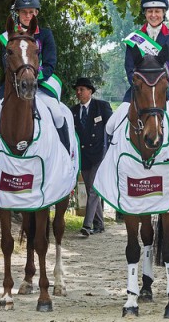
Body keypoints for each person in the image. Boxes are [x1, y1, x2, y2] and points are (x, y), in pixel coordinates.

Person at [107, 0, 169, 162]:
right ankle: (108, 166)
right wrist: (141, 90)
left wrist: (162, 91)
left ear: (164, 13)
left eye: (157, 11)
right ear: (145, 13)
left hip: (167, 91)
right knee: (110, 124)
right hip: (139, 93)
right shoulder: (134, 39)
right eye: (150, 11)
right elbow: (129, 68)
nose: (153, 15)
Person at [0, 0, 67, 148]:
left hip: (39, 85)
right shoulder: (9, 37)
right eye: (24, 12)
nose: (27, 15)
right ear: (18, 13)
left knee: (58, 115)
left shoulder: (45, 35)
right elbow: (6, 64)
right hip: (12, 85)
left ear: (36, 13)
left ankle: (65, 155)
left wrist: (32, 78)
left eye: (31, 12)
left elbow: (50, 64)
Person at [70, 77, 112, 236]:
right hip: (83, 156)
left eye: (81, 89)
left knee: (93, 190)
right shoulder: (73, 111)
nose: (78, 92)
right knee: (89, 190)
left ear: (90, 91)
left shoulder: (101, 107)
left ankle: (87, 226)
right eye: (77, 90)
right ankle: (99, 224)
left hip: (99, 154)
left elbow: (112, 127)